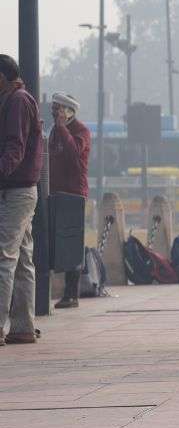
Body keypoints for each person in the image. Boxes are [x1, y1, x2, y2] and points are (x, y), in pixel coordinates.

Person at [0, 55, 43, 346]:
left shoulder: (16, 101)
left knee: (4, 257)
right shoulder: (14, 99)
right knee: (23, 257)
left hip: (16, 190)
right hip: (22, 189)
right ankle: (23, 327)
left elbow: (15, 146)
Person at [49, 93, 91, 309]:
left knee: (72, 243)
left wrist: (62, 127)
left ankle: (71, 294)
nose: (54, 113)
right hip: (56, 192)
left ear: (68, 111)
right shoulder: (56, 131)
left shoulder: (80, 131)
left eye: (58, 109)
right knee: (58, 243)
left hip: (74, 194)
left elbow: (73, 153)